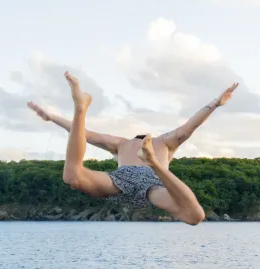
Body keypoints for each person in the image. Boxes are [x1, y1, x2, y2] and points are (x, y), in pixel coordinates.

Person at [27, 71, 238, 225]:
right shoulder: (138, 143)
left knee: (196, 216)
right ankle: (81, 107)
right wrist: (52, 118)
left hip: (140, 181)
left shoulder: (142, 142)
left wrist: (215, 104)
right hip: (139, 183)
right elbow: (83, 134)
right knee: (72, 177)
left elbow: (190, 126)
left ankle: (153, 162)